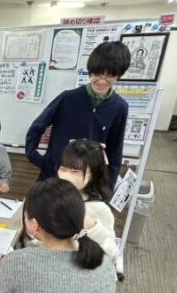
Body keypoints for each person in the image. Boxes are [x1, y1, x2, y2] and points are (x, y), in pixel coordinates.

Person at [25, 41, 131, 188]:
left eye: (109, 75)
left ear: (118, 75)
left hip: (88, 181)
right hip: (54, 176)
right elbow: (37, 127)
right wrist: (38, 158)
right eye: (97, 74)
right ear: (90, 71)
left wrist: (108, 186)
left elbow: (115, 150)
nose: (101, 81)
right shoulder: (68, 98)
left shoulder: (119, 107)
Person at [58, 139, 119, 261]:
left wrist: (91, 226)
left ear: (94, 174)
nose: (66, 175)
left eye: (75, 171)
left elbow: (112, 255)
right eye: (63, 169)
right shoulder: (59, 194)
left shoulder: (98, 209)